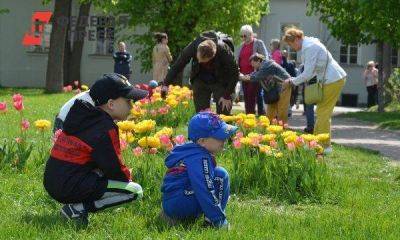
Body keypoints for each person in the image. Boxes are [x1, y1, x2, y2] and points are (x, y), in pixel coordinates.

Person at [44, 73, 148, 225]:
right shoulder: (105, 128)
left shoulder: (83, 116)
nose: (132, 106)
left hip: (52, 180)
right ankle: (78, 209)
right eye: (128, 101)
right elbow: (114, 168)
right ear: (111, 104)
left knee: (102, 175)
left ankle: (76, 206)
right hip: (68, 185)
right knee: (134, 191)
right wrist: (127, 178)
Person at [161, 111, 237, 228]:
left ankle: (173, 217)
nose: (224, 140)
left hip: (173, 202)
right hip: (181, 203)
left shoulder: (191, 151)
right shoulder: (200, 158)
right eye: (219, 136)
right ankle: (214, 222)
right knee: (221, 176)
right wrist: (218, 219)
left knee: (218, 173)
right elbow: (204, 188)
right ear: (202, 141)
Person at [282, 27, 347, 154]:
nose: (292, 48)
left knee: (323, 113)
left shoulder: (309, 47)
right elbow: (308, 70)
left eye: (291, 44)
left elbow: (307, 73)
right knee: (322, 112)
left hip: (333, 79)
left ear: (296, 39)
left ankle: (325, 146)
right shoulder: (309, 43)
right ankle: (315, 143)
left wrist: (291, 81)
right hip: (331, 79)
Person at [162, 30, 239, 115]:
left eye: (203, 61)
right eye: (198, 59)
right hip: (200, 78)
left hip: (220, 79)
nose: (199, 61)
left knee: (224, 111)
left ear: (212, 56)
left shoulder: (223, 50)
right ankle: (204, 127)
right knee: (201, 114)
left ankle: (224, 125)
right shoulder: (193, 47)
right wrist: (166, 84)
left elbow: (235, 73)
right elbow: (178, 65)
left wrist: (227, 95)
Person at [240, 53, 292, 124]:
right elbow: (255, 74)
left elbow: (257, 76)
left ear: (259, 60)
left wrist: (243, 77)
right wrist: (244, 76)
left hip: (285, 86)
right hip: (275, 89)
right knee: (271, 108)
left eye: (253, 63)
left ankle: (282, 128)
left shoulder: (267, 65)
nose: (253, 66)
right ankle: (269, 126)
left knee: (281, 109)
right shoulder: (263, 66)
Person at [237, 25, 268, 115]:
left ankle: (253, 116)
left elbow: (265, 58)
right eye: (241, 36)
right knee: (246, 97)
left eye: (245, 36)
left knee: (251, 96)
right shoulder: (242, 46)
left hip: (254, 75)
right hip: (243, 76)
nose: (243, 38)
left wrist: (258, 69)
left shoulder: (258, 43)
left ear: (251, 34)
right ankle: (249, 116)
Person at [281, 50, 298, 117]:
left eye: (284, 54)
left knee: (289, 98)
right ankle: (286, 112)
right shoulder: (280, 63)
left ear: (287, 55)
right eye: (282, 54)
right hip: (281, 83)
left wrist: (293, 83)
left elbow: (293, 75)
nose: (283, 56)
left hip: (289, 83)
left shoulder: (290, 64)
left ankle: (289, 112)